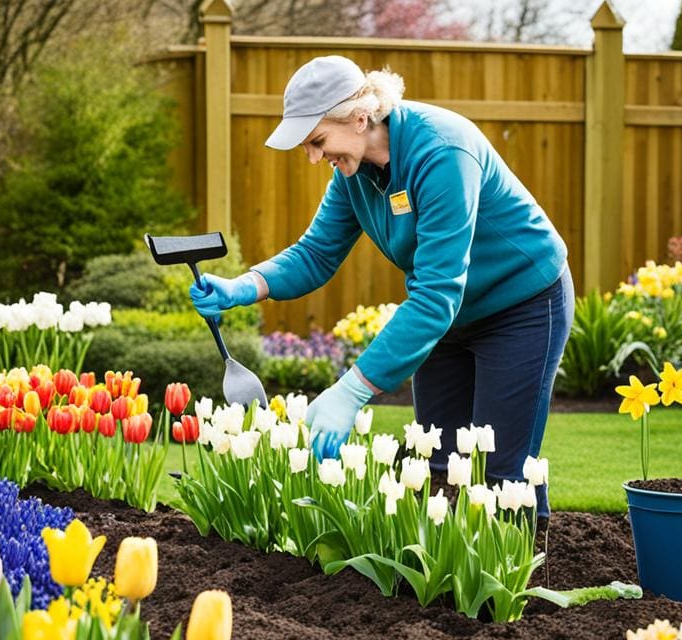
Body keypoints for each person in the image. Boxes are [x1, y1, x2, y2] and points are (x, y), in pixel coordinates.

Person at [189, 55, 574, 527]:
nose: (314, 157)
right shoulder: (354, 174)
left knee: (502, 475)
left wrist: (351, 391)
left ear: (358, 117)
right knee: (435, 465)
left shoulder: (441, 152)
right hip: (447, 319)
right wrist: (242, 287)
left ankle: (519, 589)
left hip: (522, 308)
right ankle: (438, 591)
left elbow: (435, 295)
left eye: (317, 141)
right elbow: (316, 253)